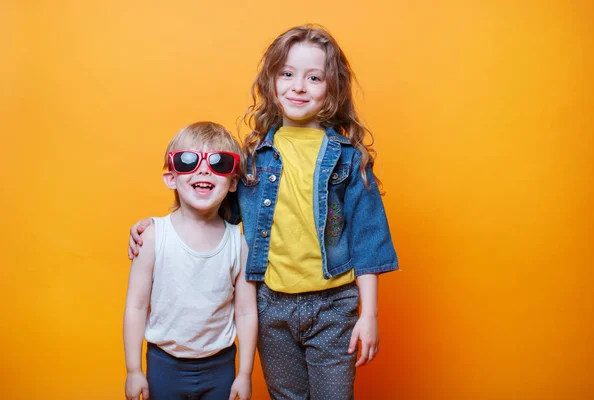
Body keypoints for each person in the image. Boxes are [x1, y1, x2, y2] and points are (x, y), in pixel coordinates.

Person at [128, 25, 398, 400]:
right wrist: (155, 227)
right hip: (270, 307)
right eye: (287, 74)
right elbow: (212, 205)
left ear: (332, 89)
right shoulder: (254, 160)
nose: (298, 87)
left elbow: (368, 239)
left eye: (314, 77)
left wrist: (369, 315)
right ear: (271, 82)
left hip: (333, 306)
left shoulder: (348, 160)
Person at [123, 122, 257, 400]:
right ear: (171, 178)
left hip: (220, 366)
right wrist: (133, 369)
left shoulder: (239, 243)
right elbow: (135, 307)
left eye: (220, 162)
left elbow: (245, 312)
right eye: (188, 161)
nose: (204, 169)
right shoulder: (151, 238)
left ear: (233, 183)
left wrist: (244, 374)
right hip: (164, 364)